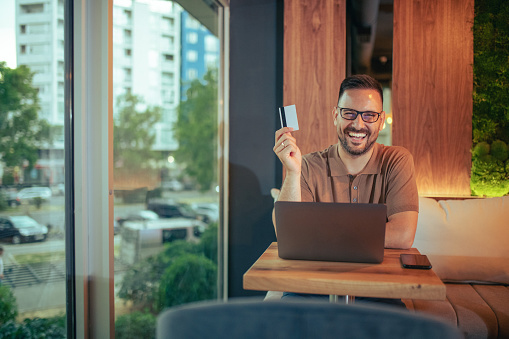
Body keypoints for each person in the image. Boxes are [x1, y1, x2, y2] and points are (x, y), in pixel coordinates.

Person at [273, 74, 419, 304]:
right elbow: (288, 234)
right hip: (310, 287)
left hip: (378, 289)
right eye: (349, 113)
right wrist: (292, 171)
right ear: (335, 115)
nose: (358, 124)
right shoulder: (308, 165)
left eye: (369, 115)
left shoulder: (396, 160)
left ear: (381, 121)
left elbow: (402, 235)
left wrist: (319, 234)